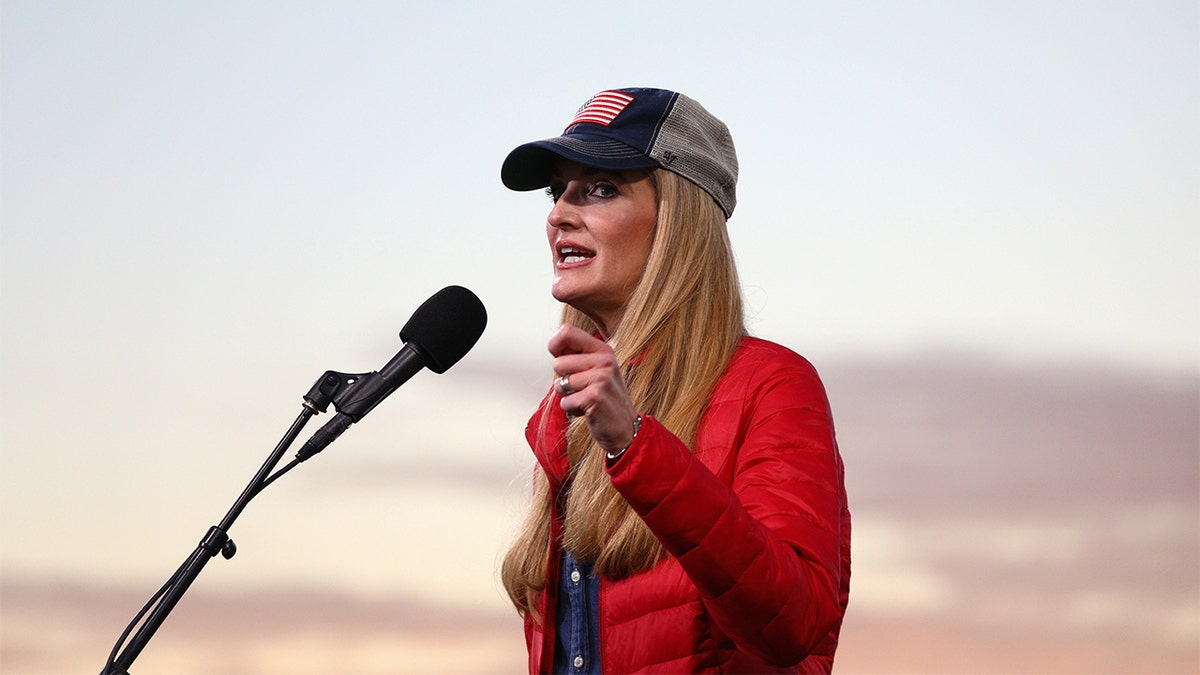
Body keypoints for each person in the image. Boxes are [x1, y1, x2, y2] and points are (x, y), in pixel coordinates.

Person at [499, 87, 850, 674]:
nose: (558, 212)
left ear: (678, 222)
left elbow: (795, 623)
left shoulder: (772, 385)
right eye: (556, 190)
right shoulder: (560, 417)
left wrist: (635, 446)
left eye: (601, 188)